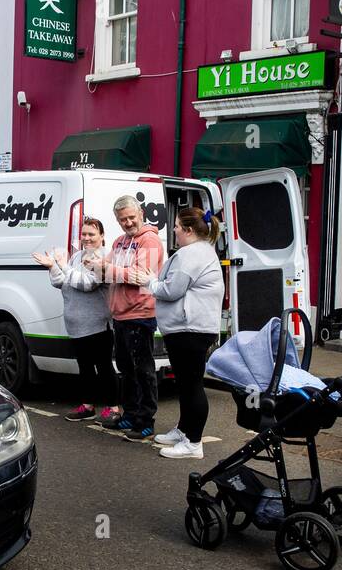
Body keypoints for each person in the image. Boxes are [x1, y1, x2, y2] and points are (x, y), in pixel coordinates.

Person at [135, 207, 223, 460]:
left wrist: (150, 282)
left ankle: (193, 443)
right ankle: (184, 430)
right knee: (186, 384)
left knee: (192, 384)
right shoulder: (199, 252)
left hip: (190, 329)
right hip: (189, 328)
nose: (173, 229)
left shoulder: (191, 254)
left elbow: (172, 290)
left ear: (188, 230)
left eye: (176, 226)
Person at [87, 195, 165, 441]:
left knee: (142, 370)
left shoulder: (150, 240)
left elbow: (141, 275)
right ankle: (130, 415)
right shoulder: (120, 241)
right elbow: (107, 266)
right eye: (123, 219)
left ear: (141, 213)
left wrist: (105, 269)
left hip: (140, 314)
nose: (128, 222)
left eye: (132, 217)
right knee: (126, 369)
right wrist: (99, 264)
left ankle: (145, 421)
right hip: (120, 314)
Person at [33, 217, 120, 424]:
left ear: (102, 236)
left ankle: (113, 408)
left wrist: (64, 266)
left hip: (98, 325)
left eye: (91, 234)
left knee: (104, 367)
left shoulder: (104, 258)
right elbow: (62, 283)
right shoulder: (77, 257)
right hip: (76, 325)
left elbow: (87, 284)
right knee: (85, 368)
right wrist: (53, 267)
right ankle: (88, 406)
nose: (87, 238)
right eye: (84, 234)